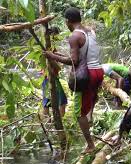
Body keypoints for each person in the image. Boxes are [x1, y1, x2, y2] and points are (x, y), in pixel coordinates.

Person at [43, 7, 104, 153]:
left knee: (78, 113)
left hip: (85, 76)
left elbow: (74, 61)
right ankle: (90, 121)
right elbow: (82, 54)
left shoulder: (74, 36)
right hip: (98, 71)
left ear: (67, 21)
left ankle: (90, 145)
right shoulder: (90, 31)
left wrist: (52, 56)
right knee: (88, 102)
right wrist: (59, 54)